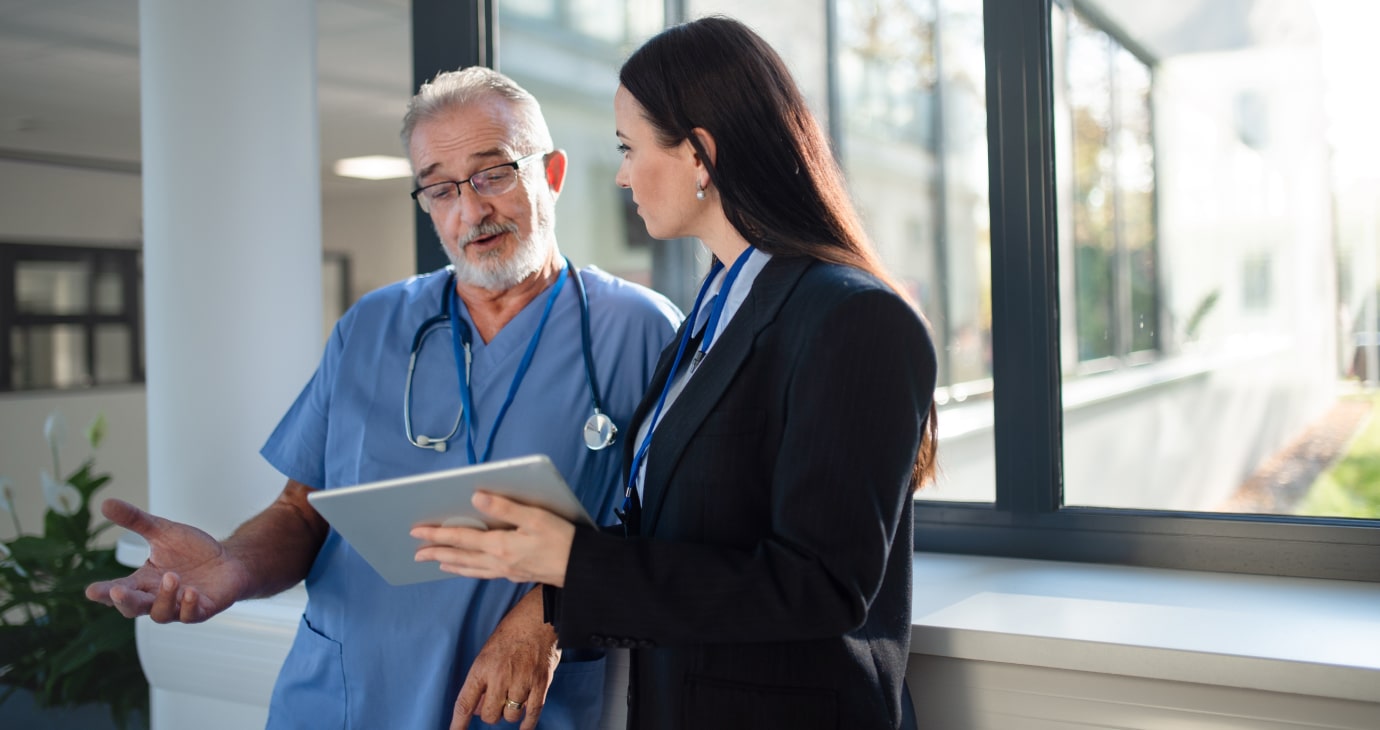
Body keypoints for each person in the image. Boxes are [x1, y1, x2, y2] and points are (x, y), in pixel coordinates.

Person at [85, 67, 681, 730]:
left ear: (554, 173)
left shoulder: (641, 332)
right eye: (441, 188)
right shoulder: (372, 326)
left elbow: (669, 538)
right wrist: (233, 564)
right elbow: (302, 511)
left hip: (512, 706)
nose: (471, 210)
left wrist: (552, 612)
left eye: (495, 173)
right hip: (346, 697)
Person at [413, 15, 939, 730]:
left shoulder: (852, 319)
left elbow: (819, 587)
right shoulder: (714, 312)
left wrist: (577, 565)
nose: (623, 174)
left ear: (699, 155)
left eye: (630, 149)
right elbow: (685, 530)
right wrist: (552, 587)